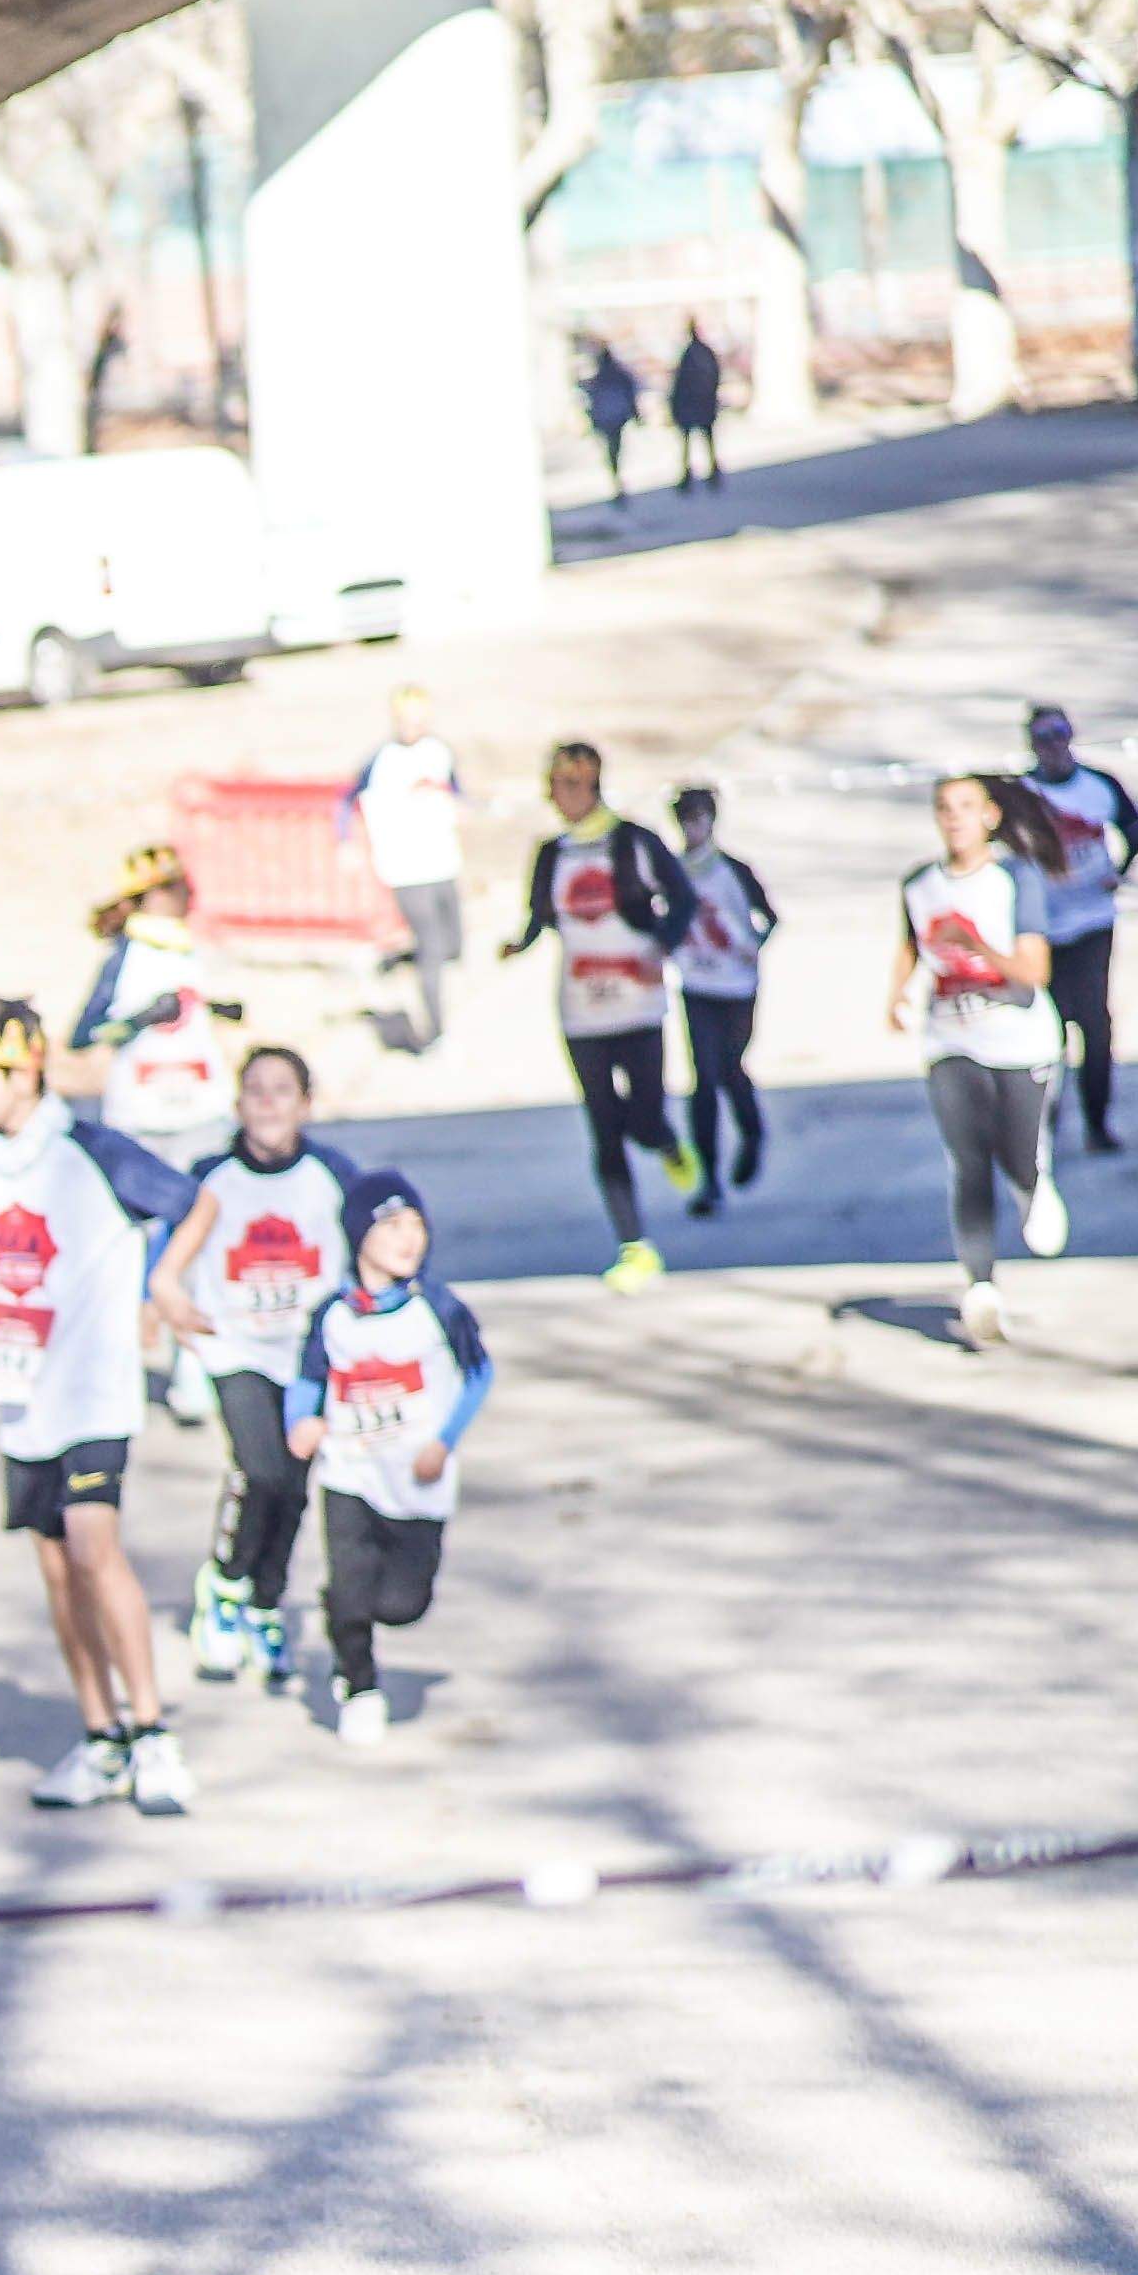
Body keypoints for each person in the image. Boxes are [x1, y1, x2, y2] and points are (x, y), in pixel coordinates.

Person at [0, 994, 196, 1814]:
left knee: (95, 1548)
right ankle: (100, 1737)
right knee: (56, 1569)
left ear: (29, 1072)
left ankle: (153, 1732)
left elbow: (193, 1202)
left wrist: (162, 1282)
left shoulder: (90, 1150)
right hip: (22, 1394)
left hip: (95, 1388)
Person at [142, 1042, 377, 1702]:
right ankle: (224, 1583)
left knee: (296, 1485)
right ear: (237, 1104)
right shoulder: (211, 1178)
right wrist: (159, 1301)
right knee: (260, 1467)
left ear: (306, 1104)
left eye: (283, 1091)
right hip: (235, 1346)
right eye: (256, 1091)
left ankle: (266, 1603)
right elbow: (165, 1252)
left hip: (307, 1354)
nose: (269, 1102)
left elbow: (374, 1250)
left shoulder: (333, 1176)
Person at [287, 1179, 486, 1743]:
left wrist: (443, 1442)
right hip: (350, 1469)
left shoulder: (438, 1309)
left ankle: (351, 1615)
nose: (408, 1239)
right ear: (359, 1237)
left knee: (402, 1604)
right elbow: (307, 1379)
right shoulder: (333, 1315)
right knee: (350, 1584)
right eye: (391, 1226)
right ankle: (360, 1683)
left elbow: (479, 1375)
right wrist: (300, 1421)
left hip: (417, 1477)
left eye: (416, 1226)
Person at [499, 740, 695, 1282]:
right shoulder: (551, 854)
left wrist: (662, 946)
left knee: (645, 1115)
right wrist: (520, 943)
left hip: (638, 1004)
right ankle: (634, 1245)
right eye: (554, 783)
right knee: (604, 1126)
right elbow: (539, 916)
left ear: (593, 783)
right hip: (581, 1009)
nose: (560, 794)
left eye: (570, 783)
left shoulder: (633, 843)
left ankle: (665, 1141)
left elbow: (682, 899)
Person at [892, 768, 1075, 1350]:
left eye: (966, 807)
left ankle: (1032, 1182)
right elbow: (909, 944)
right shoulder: (919, 883)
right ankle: (980, 1285)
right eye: (945, 807)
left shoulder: (1014, 878)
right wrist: (896, 993)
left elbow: (1034, 971)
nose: (954, 818)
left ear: (990, 816)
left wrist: (976, 948)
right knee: (967, 1161)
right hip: (951, 1039)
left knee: (1015, 1156)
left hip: (1020, 1040)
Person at [1019, 704, 1138, 1156]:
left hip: (1093, 919)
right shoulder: (1020, 794)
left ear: (1071, 736)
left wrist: (1121, 870)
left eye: (1059, 734)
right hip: (1042, 928)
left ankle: (1097, 1123)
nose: (1052, 745)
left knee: (1094, 1022)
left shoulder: (1099, 785)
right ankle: (1043, 1130)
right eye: (1042, 737)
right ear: (1030, 744)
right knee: (1047, 1028)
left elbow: (1134, 831)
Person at [66, 842, 240, 1166]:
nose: (189, 895)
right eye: (176, 887)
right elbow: (84, 1036)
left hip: (202, 1113)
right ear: (152, 895)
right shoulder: (124, 957)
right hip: (141, 1117)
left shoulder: (193, 949)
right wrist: (141, 1019)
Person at [343, 689, 470, 1054]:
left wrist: (460, 807)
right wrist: (346, 842)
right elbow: (346, 798)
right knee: (430, 947)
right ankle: (436, 1032)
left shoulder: (438, 751)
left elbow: (455, 788)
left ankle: (390, 960)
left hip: (443, 861)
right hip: (405, 868)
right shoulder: (381, 759)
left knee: (452, 946)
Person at [668, 780, 777, 1193]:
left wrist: (753, 946)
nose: (693, 829)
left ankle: (751, 1133)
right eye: (686, 821)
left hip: (738, 985)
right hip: (697, 984)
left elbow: (769, 916)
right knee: (704, 1077)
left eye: (699, 819)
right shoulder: (673, 872)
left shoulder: (733, 870)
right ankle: (708, 1176)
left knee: (731, 1068)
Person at [665, 321, 729, 493]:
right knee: (704, 442)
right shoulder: (703, 354)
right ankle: (709, 474)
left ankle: (692, 476)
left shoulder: (691, 355)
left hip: (695, 405)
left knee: (692, 444)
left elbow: (680, 383)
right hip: (702, 405)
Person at [577, 338, 642, 506]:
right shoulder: (616, 374)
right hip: (615, 418)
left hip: (607, 419)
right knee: (615, 450)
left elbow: (593, 399)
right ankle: (617, 481)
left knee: (612, 452)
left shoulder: (600, 377)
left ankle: (616, 480)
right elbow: (630, 393)